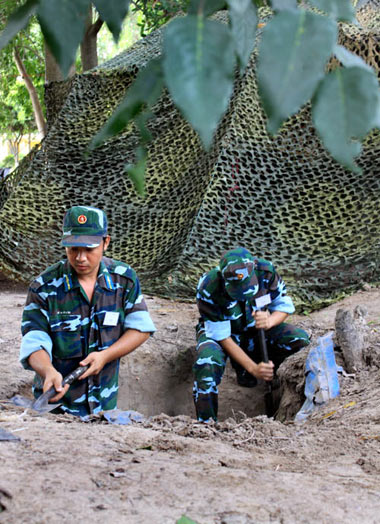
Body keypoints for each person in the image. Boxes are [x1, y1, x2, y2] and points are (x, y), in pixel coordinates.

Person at [20, 205, 156, 417]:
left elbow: (140, 328)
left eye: (89, 249)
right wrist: (47, 371)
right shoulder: (45, 286)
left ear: (106, 243)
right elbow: (34, 338)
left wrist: (105, 356)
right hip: (56, 410)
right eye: (73, 249)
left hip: (104, 408)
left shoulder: (124, 279)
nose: (80, 258)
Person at [193, 246, 310, 422]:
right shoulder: (209, 287)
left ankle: (281, 381)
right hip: (222, 334)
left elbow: (284, 306)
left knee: (300, 340)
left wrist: (270, 320)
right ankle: (207, 427)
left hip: (256, 329)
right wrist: (252, 368)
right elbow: (222, 337)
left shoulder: (265, 272)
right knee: (207, 361)